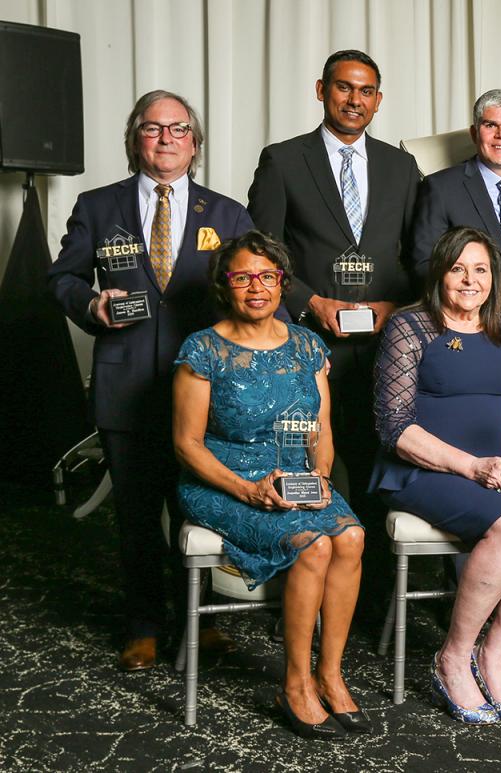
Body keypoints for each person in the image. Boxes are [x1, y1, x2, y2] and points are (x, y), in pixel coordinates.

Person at [47, 90, 253, 671]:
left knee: (204, 510)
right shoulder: (97, 205)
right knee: (137, 514)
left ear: (196, 143)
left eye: (179, 129)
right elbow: (62, 277)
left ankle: (200, 622)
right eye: (153, 128)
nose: (166, 138)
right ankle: (142, 624)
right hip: (127, 388)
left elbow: (256, 287)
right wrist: (91, 305)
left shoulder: (229, 214)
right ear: (134, 138)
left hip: (208, 390)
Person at [371, 227, 501, 724]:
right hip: (428, 470)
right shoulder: (410, 328)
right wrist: (473, 466)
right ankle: (452, 656)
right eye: (458, 269)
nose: (470, 280)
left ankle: (493, 654)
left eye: (481, 269)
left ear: (495, 278)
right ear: (440, 274)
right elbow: (394, 427)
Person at [173, 231, 367, 739]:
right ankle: (296, 683)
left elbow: (321, 429)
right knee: (313, 546)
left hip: (298, 476)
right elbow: (187, 445)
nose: (256, 287)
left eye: (267, 276)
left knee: (351, 537)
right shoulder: (204, 348)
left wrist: (319, 478)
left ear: (283, 283)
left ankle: (331, 672)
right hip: (223, 479)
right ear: (225, 285)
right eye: (242, 277)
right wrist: (249, 490)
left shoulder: (307, 345)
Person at [247, 49, 421, 517]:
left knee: (379, 462)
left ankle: (373, 582)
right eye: (343, 87)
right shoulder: (283, 161)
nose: (354, 100)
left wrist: (395, 306)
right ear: (322, 90)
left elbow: (418, 252)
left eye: (366, 91)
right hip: (307, 341)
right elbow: (261, 252)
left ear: (378, 100)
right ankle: (315, 565)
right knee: (309, 460)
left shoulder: (402, 167)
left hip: (386, 346)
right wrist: (311, 303)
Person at [409, 89, 501, 357]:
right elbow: (423, 264)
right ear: (474, 132)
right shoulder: (441, 188)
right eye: (491, 125)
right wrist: (479, 310)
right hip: (463, 336)